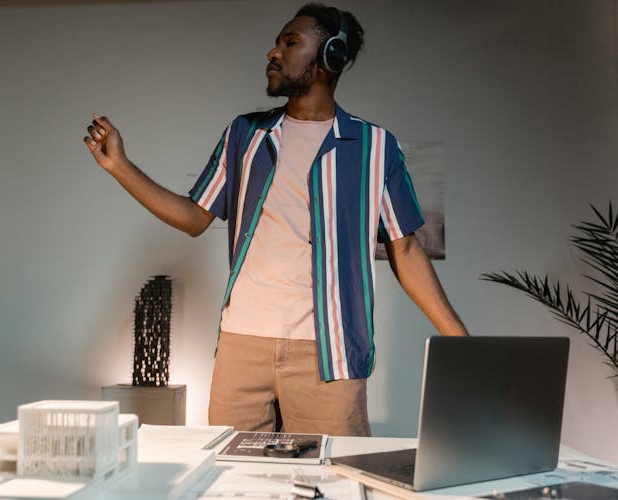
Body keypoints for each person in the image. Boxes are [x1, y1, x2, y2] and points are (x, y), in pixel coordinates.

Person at [84, 3, 467, 437]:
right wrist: (120, 166)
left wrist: (461, 344)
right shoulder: (244, 134)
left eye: (290, 42)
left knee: (332, 479)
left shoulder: (376, 146)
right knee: (234, 481)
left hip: (328, 354)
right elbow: (194, 217)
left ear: (332, 58)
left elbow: (407, 249)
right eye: (276, 42)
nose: (273, 52)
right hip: (240, 348)